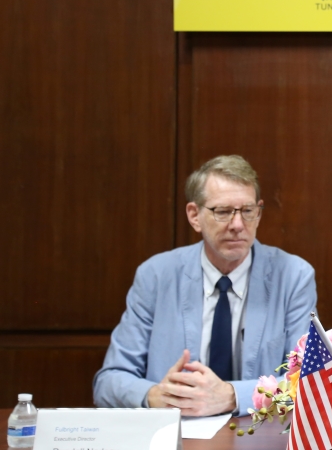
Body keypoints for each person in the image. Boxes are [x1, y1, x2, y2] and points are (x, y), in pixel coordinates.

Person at [93, 155, 317, 416]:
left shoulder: (293, 276)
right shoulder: (156, 275)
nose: (237, 225)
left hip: (256, 438)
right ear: (194, 216)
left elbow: (309, 382)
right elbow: (108, 382)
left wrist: (233, 396)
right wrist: (155, 396)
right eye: (222, 212)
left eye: (247, 211)